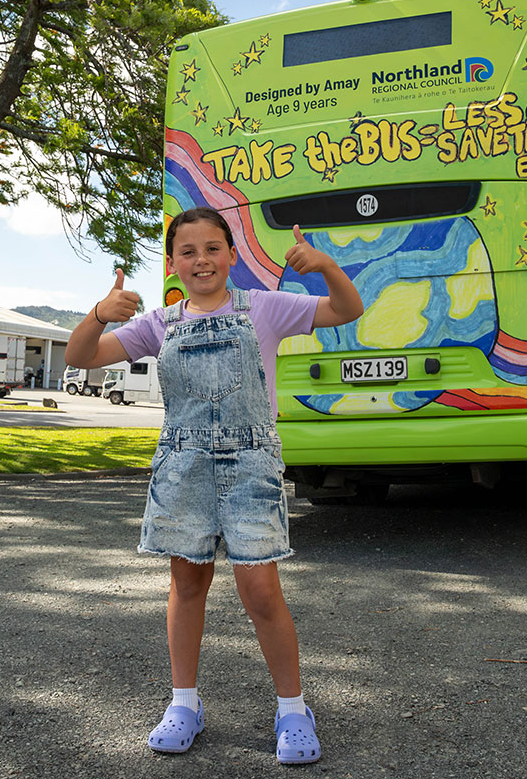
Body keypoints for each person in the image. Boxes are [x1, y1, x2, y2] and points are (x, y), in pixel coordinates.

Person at [63, 206, 362, 764]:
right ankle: (184, 703)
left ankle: (293, 709)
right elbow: (82, 357)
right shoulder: (160, 323)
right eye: (187, 251)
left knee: (261, 591)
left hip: (250, 466)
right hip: (183, 467)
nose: (201, 260)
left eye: (212, 249)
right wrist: (98, 314)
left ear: (231, 254)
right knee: (187, 583)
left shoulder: (266, 308)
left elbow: (347, 308)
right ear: (173, 264)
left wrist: (324, 265)